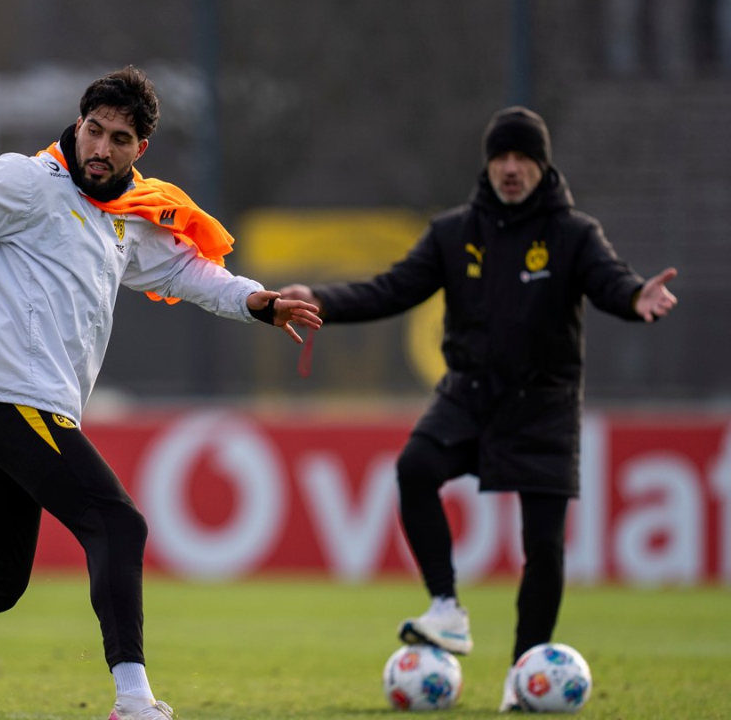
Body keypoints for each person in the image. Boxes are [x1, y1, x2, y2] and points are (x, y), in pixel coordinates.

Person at [0, 65, 322, 720]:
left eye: (118, 139)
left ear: (140, 149)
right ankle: (133, 701)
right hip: (7, 395)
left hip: (2, 402)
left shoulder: (123, 213)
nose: (101, 148)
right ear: (78, 123)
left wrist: (256, 302)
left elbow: (185, 270)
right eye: (94, 130)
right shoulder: (27, 183)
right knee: (118, 524)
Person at [278, 106, 678, 711]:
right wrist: (320, 300)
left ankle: (524, 675)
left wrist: (633, 296)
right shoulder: (454, 232)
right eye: (501, 157)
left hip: (544, 405)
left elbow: (610, 280)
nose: (511, 168)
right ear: (488, 164)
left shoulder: (574, 234)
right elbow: (391, 289)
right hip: (469, 393)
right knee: (415, 468)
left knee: (543, 547)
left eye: (523, 159)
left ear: (543, 167)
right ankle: (446, 607)